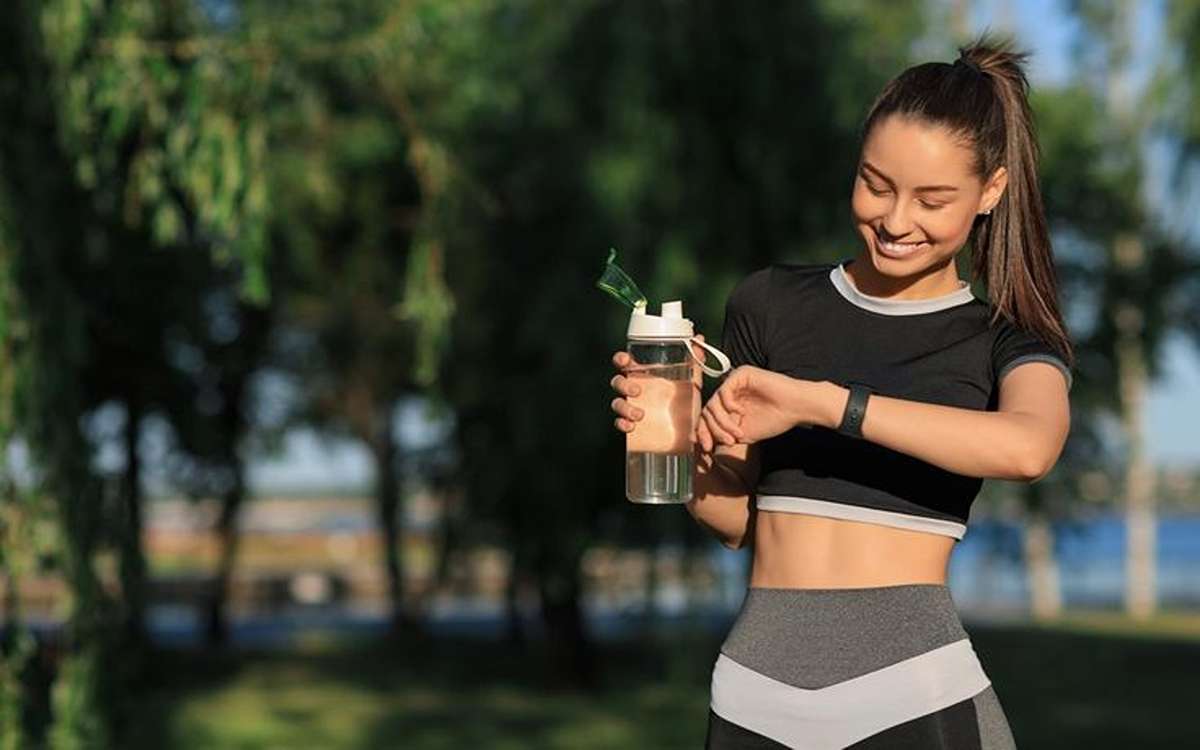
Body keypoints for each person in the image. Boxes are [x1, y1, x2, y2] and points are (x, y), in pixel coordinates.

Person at [609, 38, 1072, 749]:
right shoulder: (769, 304)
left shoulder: (1004, 337)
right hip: (752, 699)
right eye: (875, 183)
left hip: (913, 700)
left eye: (932, 199)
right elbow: (736, 520)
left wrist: (825, 404)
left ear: (991, 191)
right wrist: (670, 429)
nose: (894, 220)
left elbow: (1029, 446)